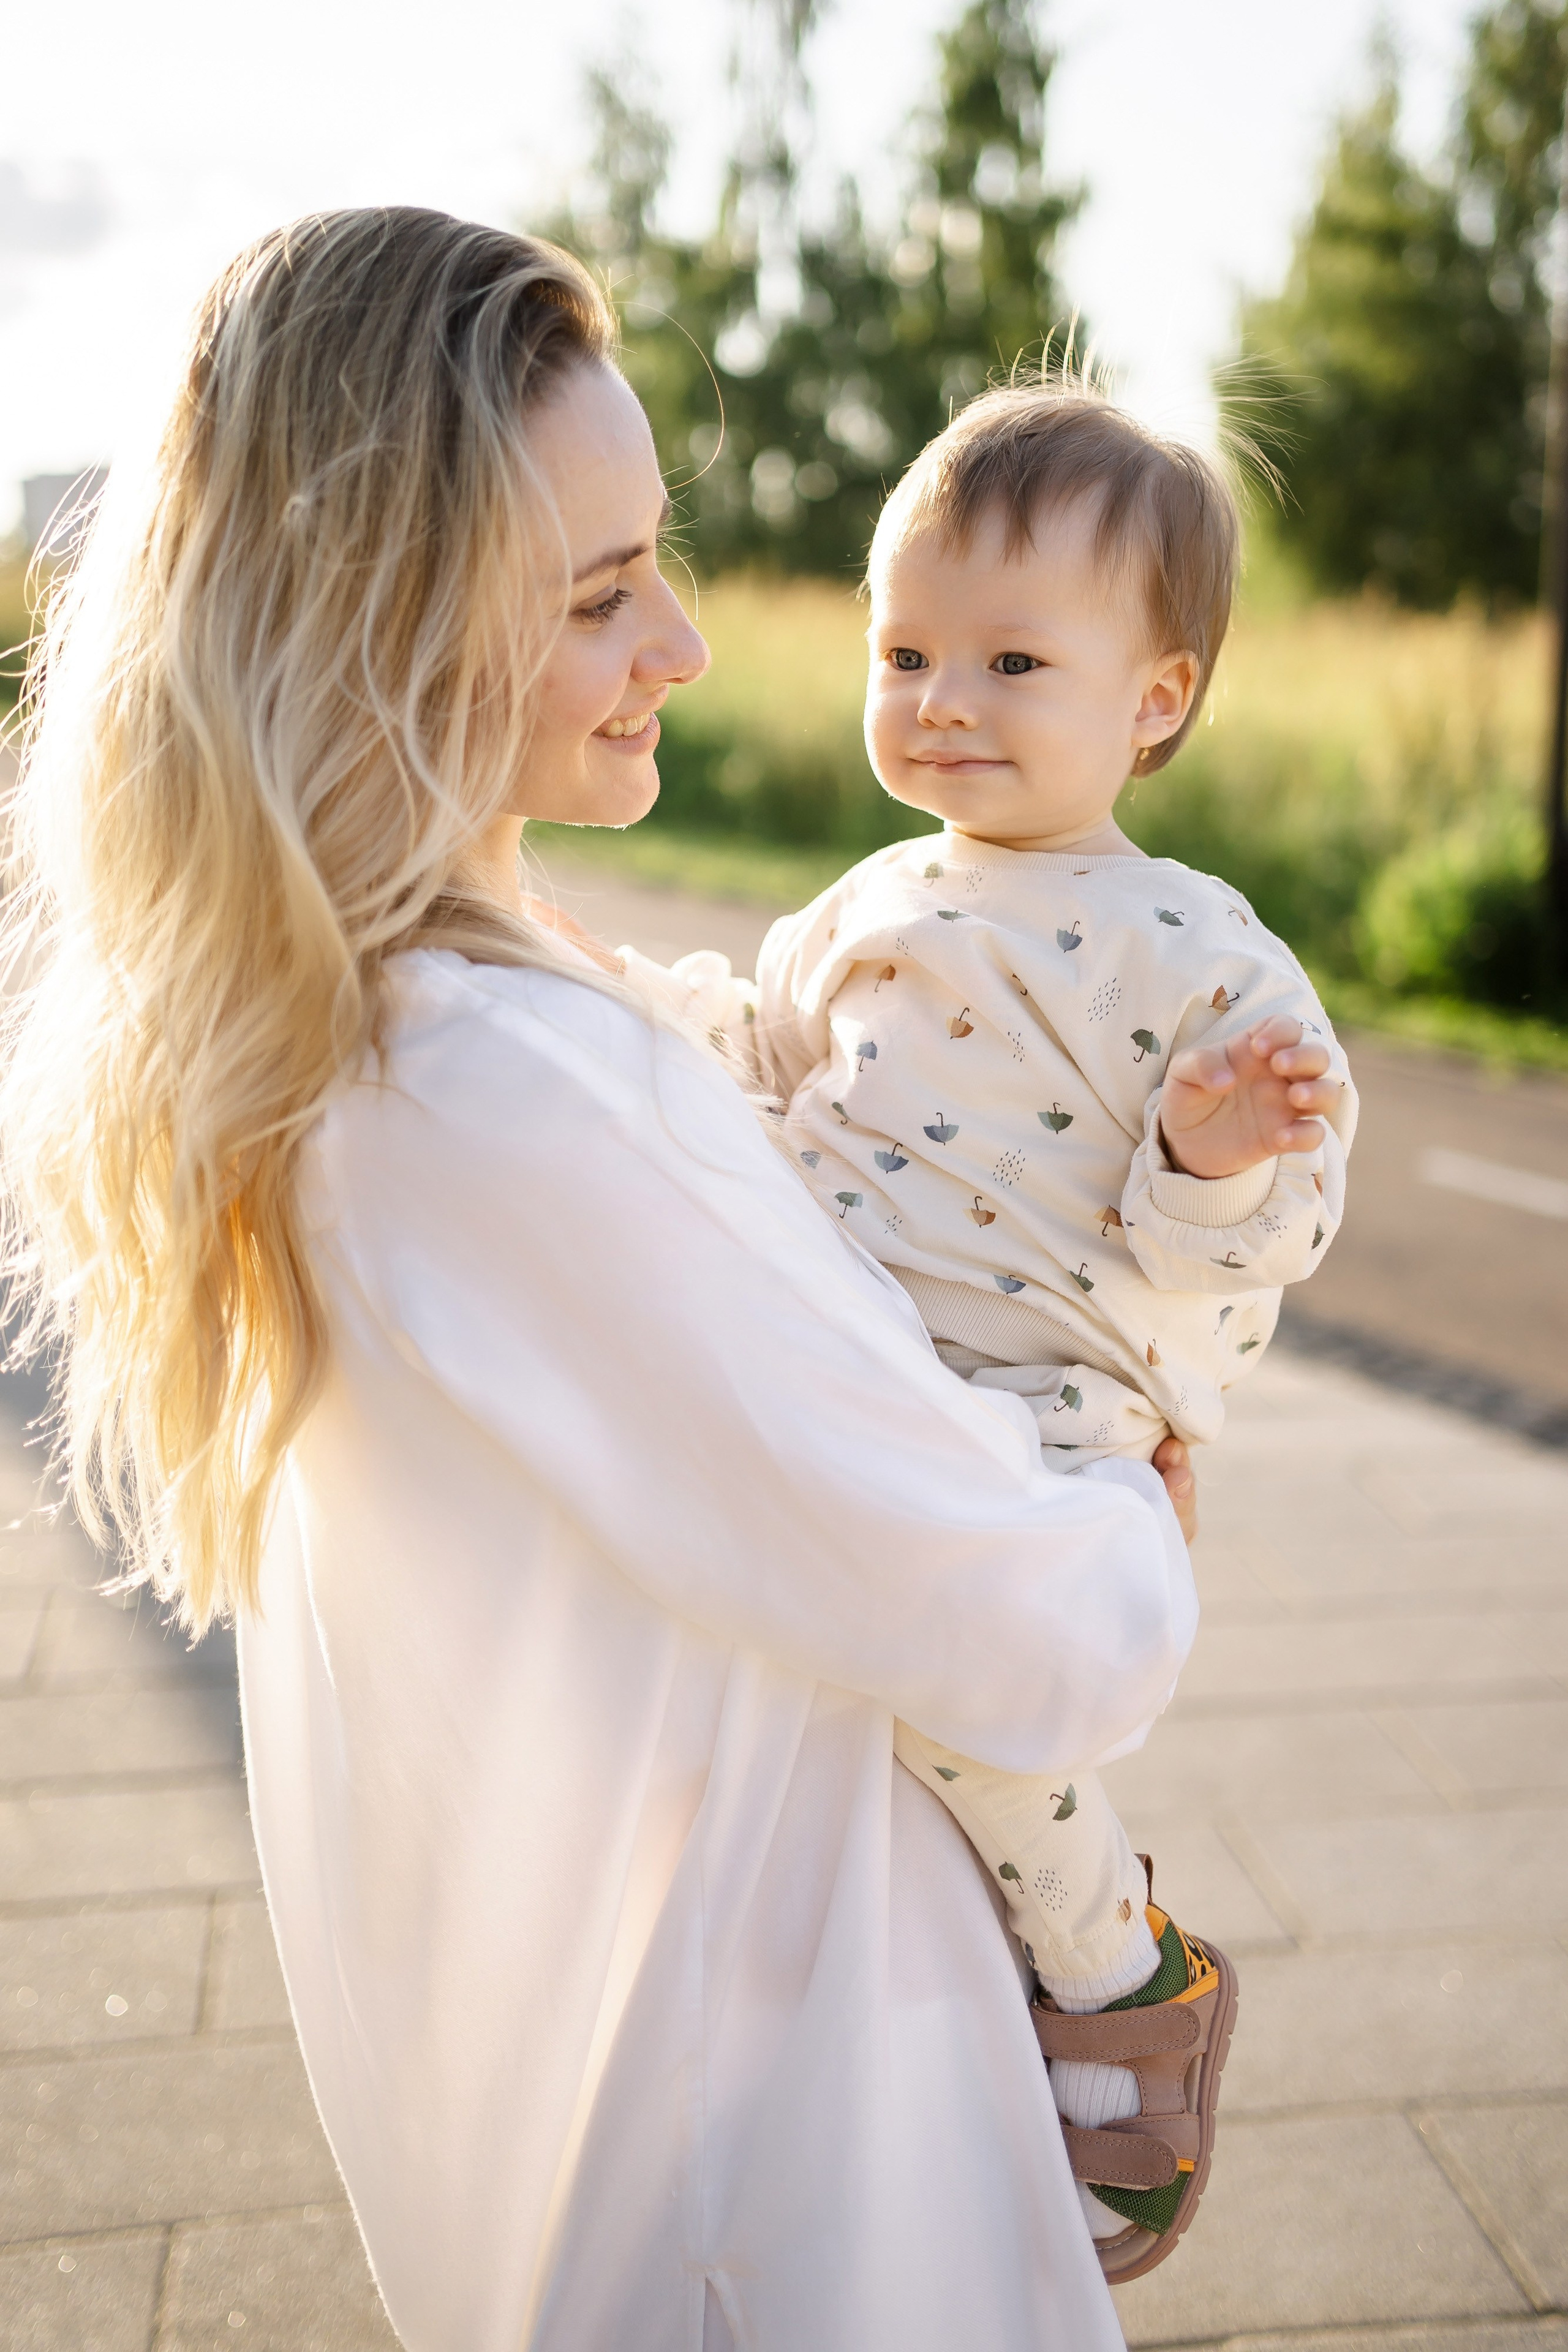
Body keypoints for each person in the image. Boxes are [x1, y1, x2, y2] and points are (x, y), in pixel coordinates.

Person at [0, 211, 1202, 2351]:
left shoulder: (388, 1038)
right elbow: (1027, 1629)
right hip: (787, 2192)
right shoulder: (493, 1091)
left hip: (671, 2152)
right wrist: (1135, 1512)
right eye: (597, 591)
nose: (686, 642)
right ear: (387, 625)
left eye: (660, 557)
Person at [726, 385, 1355, 2272]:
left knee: (976, 1703)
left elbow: (1280, 1223)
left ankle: (1121, 1968)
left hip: (1052, 1411)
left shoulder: (1196, 950)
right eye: (905, 648)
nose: (944, 700)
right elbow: (760, 1091)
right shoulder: (854, 909)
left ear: (1151, 701)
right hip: (860, 1383)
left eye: (1012, 659)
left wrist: (1213, 1147)